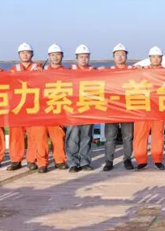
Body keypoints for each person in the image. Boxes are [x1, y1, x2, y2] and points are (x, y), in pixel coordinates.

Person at [35, 44, 69, 172]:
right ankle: (42, 163)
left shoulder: (67, 73)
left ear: (62, 56)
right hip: (42, 110)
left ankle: (60, 160)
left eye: (58, 54)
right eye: (53, 55)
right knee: (40, 137)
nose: (55, 57)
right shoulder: (41, 71)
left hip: (57, 109)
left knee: (58, 137)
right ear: (49, 56)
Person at [101, 43, 135, 172]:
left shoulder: (132, 71)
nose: (120, 57)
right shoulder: (107, 72)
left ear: (126, 56)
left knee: (128, 136)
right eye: (117, 55)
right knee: (110, 137)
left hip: (127, 109)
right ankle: (108, 161)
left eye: (122, 54)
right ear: (113, 57)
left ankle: (127, 159)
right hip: (111, 109)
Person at [7, 42, 40, 171]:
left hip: (33, 105)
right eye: (22, 53)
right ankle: (16, 160)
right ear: (19, 55)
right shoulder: (13, 69)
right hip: (17, 106)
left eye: (27, 52)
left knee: (33, 134)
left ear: (32, 54)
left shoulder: (38, 68)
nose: (25, 55)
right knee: (16, 134)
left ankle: (31, 160)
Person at [133, 46, 165, 170]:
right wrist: (135, 70)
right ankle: (141, 160)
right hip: (143, 108)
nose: (156, 59)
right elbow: (126, 75)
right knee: (140, 134)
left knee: (158, 135)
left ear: (161, 58)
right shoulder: (142, 71)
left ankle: (157, 159)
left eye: (158, 57)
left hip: (159, 109)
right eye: (153, 57)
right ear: (149, 58)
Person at [66, 44, 96, 172]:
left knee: (86, 137)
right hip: (73, 110)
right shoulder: (68, 72)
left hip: (88, 109)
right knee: (72, 138)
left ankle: (85, 162)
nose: (84, 59)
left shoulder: (94, 71)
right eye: (81, 57)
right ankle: (73, 163)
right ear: (76, 58)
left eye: (86, 56)